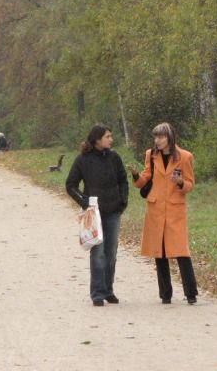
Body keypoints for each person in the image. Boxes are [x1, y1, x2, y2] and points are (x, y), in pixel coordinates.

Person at [128, 122, 198, 305]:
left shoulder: (185, 157)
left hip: (175, 209)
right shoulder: (151, 155)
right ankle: (165, 294)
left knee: (181, 251)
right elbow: (144, 181)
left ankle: (191, 293)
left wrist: (180, 182)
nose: (157, 140)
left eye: (160, 137)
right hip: (156, 208)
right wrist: (136, 176)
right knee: (160, 252)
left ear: (170, 137)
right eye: (155, 137)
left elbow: (190, 185)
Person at [65, 124, 128, 306]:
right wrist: (84, 201)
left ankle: (109, 290)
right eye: (108, 136)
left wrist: (123, 200)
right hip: (94, 213)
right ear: (97, 139)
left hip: (113, 210)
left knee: (111, 252)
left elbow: (123, 180)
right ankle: (97, 293)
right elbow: (71, 185)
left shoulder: (114, 158)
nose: (111, 139)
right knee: (98, 251)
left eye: (111, 136)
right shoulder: (82, 160)